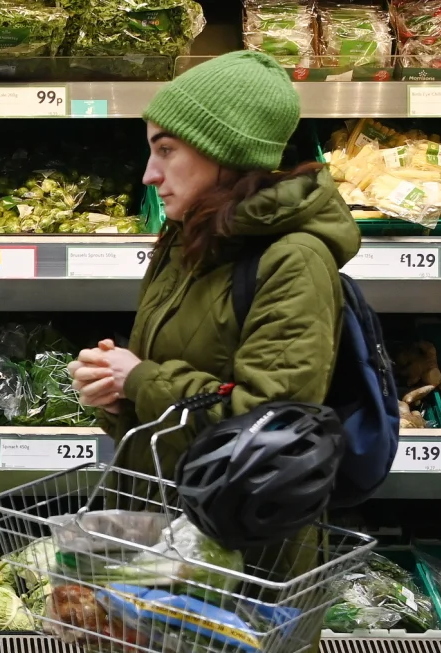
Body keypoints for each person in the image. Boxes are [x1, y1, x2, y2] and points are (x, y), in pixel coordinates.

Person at [68, 50, 361, 497]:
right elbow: (161, 402)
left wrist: (140, 380)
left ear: (226, 152)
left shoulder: (294, 260)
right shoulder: (186, 240)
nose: (148, 174)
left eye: (166, 150)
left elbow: (272, 426)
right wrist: (113, 394)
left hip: (238, 545)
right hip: (164, 518)